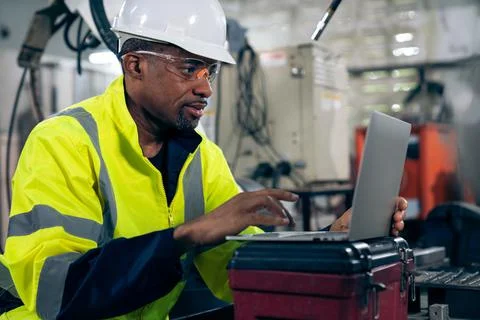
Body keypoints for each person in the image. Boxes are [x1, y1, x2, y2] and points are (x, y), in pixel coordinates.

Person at [0, 0, 407, 319]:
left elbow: (240, 270)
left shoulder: (202, 157)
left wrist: (330, 239)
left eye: (209, 72)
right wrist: (187, 234)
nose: (206, 89)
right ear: (135, 65)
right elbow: (60, 293)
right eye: (190, 68)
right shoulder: (64, 141)